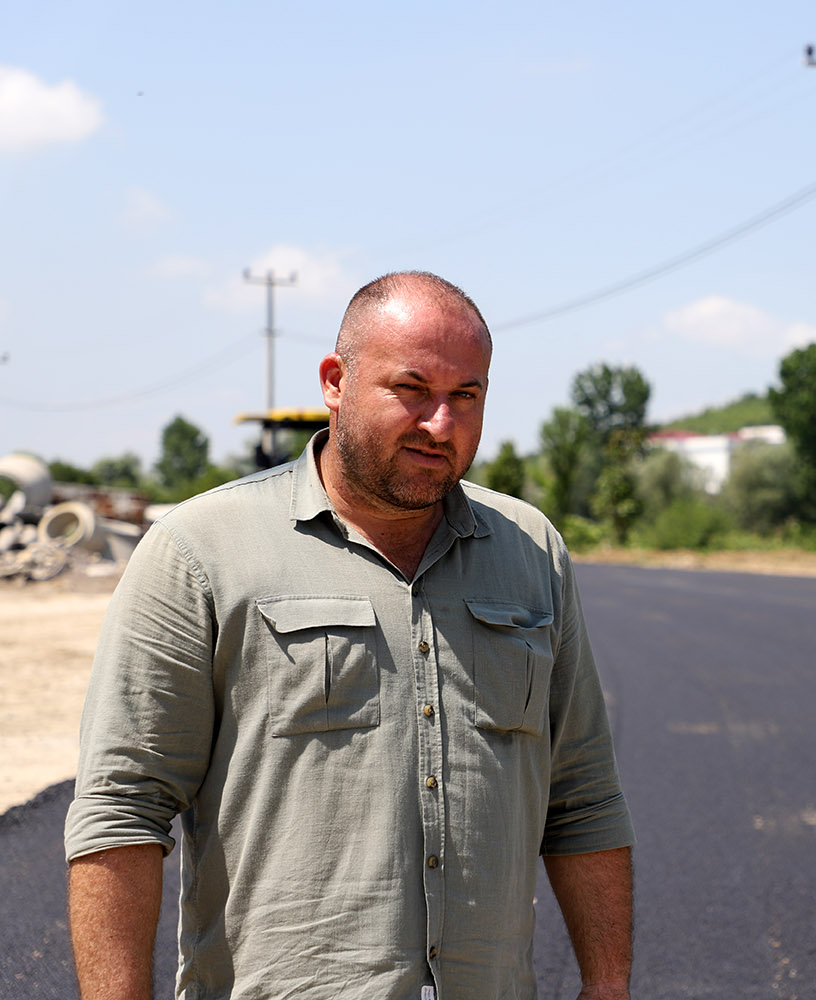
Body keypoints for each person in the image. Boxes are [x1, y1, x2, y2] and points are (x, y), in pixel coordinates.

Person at [65, 271, 635, 1000]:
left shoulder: (532, 554)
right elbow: (122, 804)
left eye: (466, 396)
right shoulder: (200, 551)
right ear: (336, 381)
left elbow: (582, 793)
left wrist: (608, 983)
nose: (440, 423)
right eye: (412, 388)